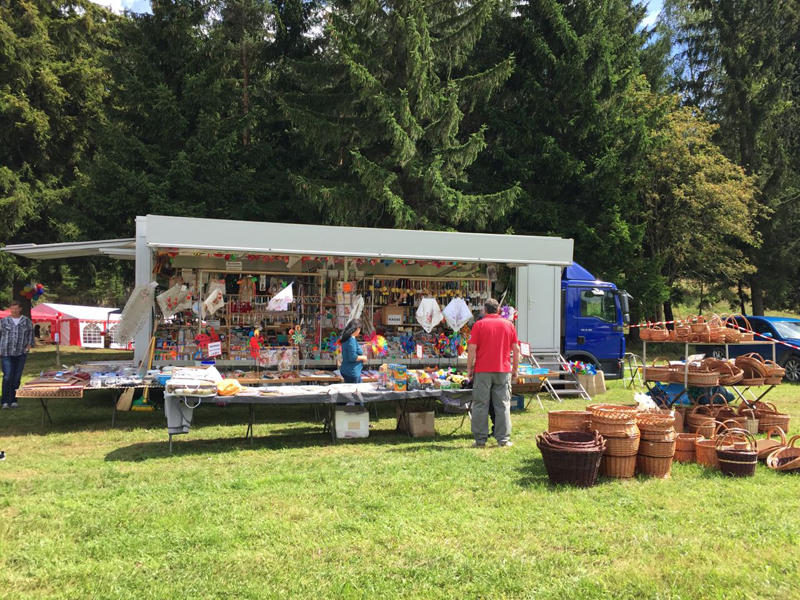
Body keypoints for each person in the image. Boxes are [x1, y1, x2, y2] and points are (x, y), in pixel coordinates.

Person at [467, 298, 520, 447]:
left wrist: (469, 368)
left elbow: (472, 349)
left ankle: (480, 439)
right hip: (503, 370)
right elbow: (516, 349)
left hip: (482, 370)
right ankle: (503, 439)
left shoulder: (479, 325)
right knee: (503, 404)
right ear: (498, 310)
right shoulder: (509, 325)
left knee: (480, 404)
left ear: (485, 310)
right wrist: (515, 369)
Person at [1, 301, 35, 409]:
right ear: (9, 309)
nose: (14, 310)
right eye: (12, 308)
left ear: (20, 309)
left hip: (20, 352)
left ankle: (13, 400)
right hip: (6, 352)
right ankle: (5, 401)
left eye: (16, 308)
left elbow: (31, 335)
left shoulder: (26, 321)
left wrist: (27, 348)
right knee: (7, 376)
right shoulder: (4, 321)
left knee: (16, 377)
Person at [339, 318, 368, 384]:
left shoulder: (348, 338)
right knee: (355, 390)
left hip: (350, 371)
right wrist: (363, 358)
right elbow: (353, 357)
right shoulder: (351, 340)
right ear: (357, 329)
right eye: (359, 329)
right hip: (352, 372)